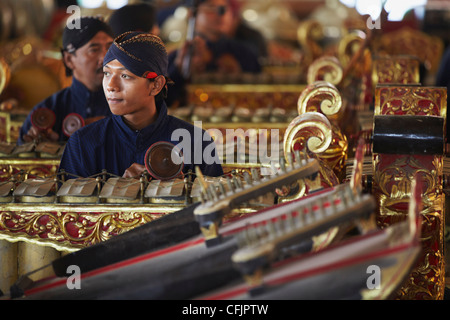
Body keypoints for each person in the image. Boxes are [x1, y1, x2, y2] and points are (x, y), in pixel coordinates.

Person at [59, 31, 224, 179]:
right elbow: (69, 212)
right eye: (107, 73)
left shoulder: (196, 142)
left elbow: (215, 207)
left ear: (156, 85)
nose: (111, 86)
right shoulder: (84, 143)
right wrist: (119, 193)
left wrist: (179, 192)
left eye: (125, 75)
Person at [17, 16, 114, 145]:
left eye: (109, 48)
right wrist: (41, 150)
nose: (105, 57)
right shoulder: (47, 111)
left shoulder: (128, 107)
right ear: (69, 59)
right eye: (94, 50)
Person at [166, 0, 263, 107]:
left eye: (224, 9)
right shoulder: (179, 55)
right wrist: (179, 69)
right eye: (211, 8)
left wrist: (238, 73)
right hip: (194, 122)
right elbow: (164, 101)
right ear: (192, 15)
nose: (220, 14)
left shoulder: (244, 53)